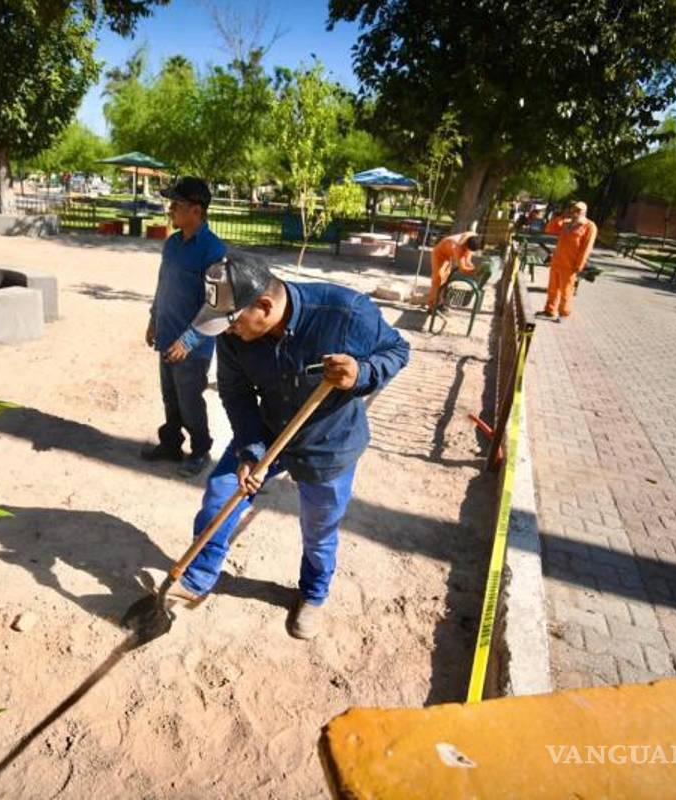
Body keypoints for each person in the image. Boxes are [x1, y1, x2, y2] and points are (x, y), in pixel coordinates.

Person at [165, 253, 410, 640]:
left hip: (329, 440)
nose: (226, 333)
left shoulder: (345, 313)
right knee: (221, 494)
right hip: (268, 428)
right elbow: (236, 392)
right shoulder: (234, 336)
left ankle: (313, 594)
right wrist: (249, 450)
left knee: (319, 527)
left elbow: (398, 351)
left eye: (231, 323)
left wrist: (361, 373)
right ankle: (198, 577)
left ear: (264, 306)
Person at [141, 177, 227, 478]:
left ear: (196, 210)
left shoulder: (214, 251)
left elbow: (218, 306)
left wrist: (188, 341)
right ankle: (171, 444)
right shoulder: (172, 244)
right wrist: (154, 320)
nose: (170, 209)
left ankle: (200, 450)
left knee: (190, 401)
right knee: (170, 397)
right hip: (166, 335)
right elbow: (162, 286)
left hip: (193, 348)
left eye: (176, 204)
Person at [538, 200, 598, 321]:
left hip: (570, 265)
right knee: (552, 288)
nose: (575, 213)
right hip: (557, 261)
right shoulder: (566, 223)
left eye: (578, 211)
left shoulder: (589, 226)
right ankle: (549, 310)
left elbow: (586, 248)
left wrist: (579, 265)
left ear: (584, 212)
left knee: (566, 291)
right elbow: (549, 229)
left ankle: (564, 313)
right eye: (574, 210)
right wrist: (561, 216)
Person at [427, 231, 483, 314]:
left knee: (445, 280)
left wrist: (475, 269)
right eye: (469, 250)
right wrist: (475, 271)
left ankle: (440, 303)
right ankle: (432, 306)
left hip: (447, 255)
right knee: (438, 279)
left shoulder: (472, 237)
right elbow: (463, 268)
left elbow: (467, 261)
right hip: (439, 254)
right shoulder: (457, 247)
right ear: (466, 245)